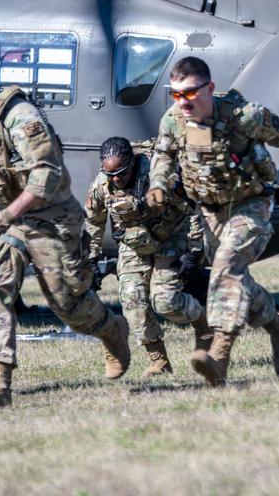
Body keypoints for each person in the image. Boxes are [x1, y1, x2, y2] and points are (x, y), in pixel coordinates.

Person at [0, 49, 130, 409]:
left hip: (50, 215)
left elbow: (47, 173)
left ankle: (111, 329)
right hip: (6, 220)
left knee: (66, 303)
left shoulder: (19, 117)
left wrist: (9, 213)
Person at [147, 56, 279, 386]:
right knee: (235, 277)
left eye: (189, 93)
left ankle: (219, 355)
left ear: (210, 88)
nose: (182, 103)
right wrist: (158, 184)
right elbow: (163, 154)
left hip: (251, 203)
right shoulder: (173, 121)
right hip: (210, 211)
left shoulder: (245, 116)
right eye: (175, 95)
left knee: (226, 268)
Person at [84, 136, 212, 378]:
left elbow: (193, 210)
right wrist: (90, 260)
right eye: (109, 174)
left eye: (121, 173)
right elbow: (93, 223)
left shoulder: (161, 176)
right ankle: (159, 361)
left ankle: (202, 324)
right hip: (134, 243)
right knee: (132, 302)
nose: (115, 179)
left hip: (171, 237)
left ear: (132, 163)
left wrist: (194, 252)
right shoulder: (102, 185)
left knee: (165, 301)